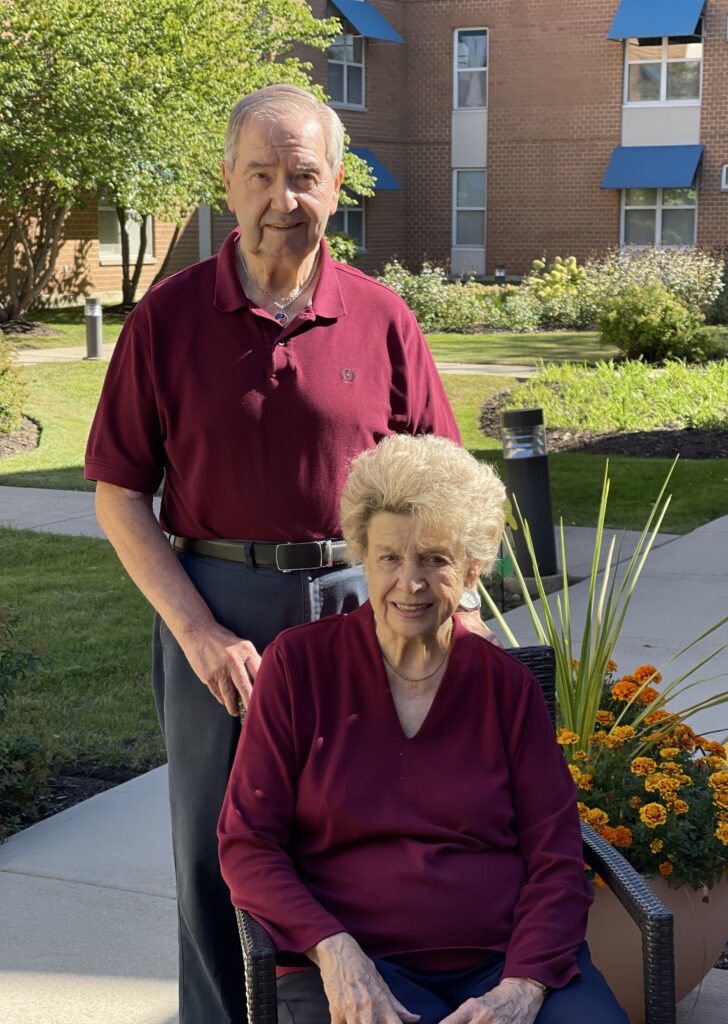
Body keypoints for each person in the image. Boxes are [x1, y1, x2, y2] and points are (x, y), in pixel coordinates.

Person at [84, 85, 463, 1024]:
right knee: (216, 853)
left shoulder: (384, 319)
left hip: (363, 610)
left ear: (338, 185)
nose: (281, 199)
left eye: (304, 176)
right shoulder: (166, 322)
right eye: (262, 175)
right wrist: (197, 630)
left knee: (370, 841)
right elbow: (119, 493)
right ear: (228, 180)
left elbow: (442, 491)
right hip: (219, 611)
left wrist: (459, 622)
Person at [218, 434, 628, 1024]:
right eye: (390, 557)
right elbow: (248, 842)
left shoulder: (505, 686)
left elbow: (556, 854)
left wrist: (522, 986)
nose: (409, 582)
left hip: (502, 959)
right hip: (353, 959)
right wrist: (336, 955)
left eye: (434, 559)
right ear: (363, 556)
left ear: (472, 571)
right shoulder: (298, 666)